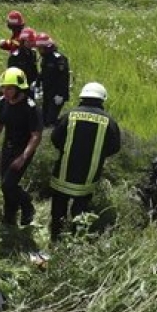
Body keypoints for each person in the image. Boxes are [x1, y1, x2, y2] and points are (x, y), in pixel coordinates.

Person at [49, 82, 121, 242]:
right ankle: (76, 239)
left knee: (58, 209)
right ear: (102, 100)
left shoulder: (69, 115)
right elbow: (115, 147)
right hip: (88, 177)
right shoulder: (109, 122)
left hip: (62, 174)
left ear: (82, 97)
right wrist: (99, 155)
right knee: (80, 211)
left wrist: (65, 150)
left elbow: (55, 138)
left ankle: (55, 239)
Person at [0, 67, 43, 226]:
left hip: (23, 150)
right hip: (8, 147)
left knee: (8, 184)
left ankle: (27, 205)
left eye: (9, 88)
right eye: (3, 87)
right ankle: (9, 217)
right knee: (6, 186)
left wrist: (23, 157)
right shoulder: (4, 102)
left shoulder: (30, 108)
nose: (5, 91)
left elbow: (36, 136)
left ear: (19, 88)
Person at [35, 32, 70, 127]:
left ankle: (63, 126)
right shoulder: (45, 58)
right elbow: (43, 73)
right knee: (44, 118)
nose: (39, 50)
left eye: (40, 48)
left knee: (51, 119)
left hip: (57, 94)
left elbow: (64, 78)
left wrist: (61, 94)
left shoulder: (59, 59)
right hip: (47, 92)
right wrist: (37, 84)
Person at [0, 27, 39, 99]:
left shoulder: (33, 53)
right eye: (29, 41)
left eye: (32, 41)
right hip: (19, 89)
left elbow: (34, 70)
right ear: (23, 41)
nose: (31, 43)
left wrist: (37, 82)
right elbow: (11, 76)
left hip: (30, 87)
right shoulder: (15, 57)